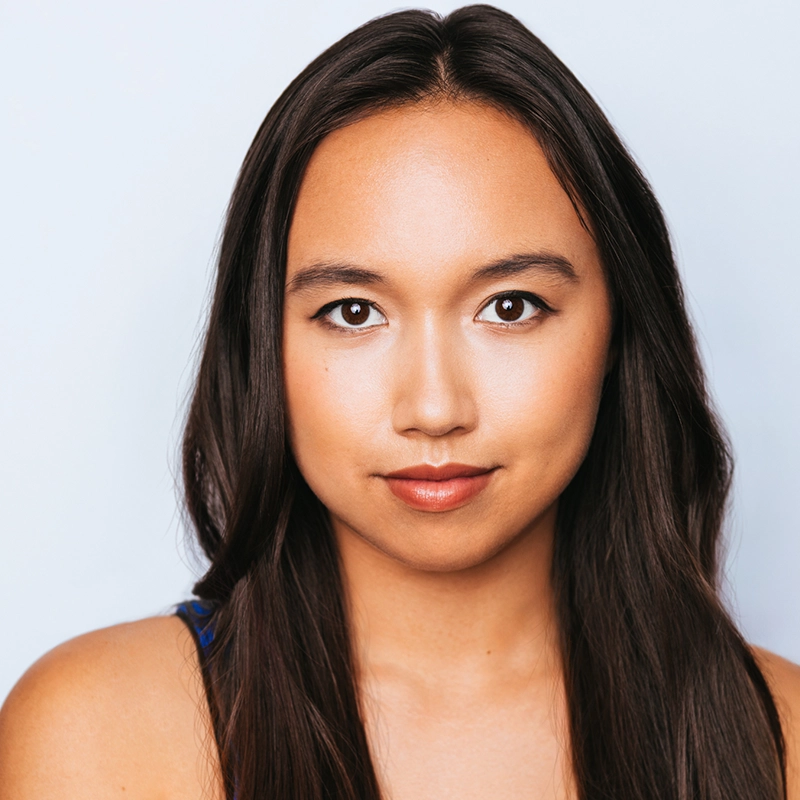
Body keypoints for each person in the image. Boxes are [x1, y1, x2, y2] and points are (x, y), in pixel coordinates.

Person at [1, 5, 798, 799]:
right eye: (353, 312)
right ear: (263, 345)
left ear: (621, 331)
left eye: (511, 306)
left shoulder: (782, 738)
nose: (433, 406)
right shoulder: (99, 735)